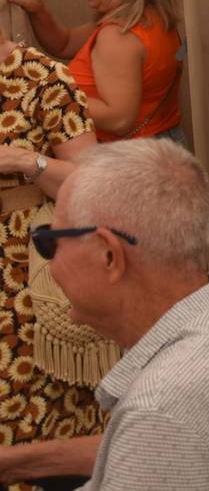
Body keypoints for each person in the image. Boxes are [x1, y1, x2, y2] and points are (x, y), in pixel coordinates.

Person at [0, 140, 209, 490]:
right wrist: (15, 463)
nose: (49, 264)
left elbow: (158, 430)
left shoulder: (161, 408)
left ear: (109, 256)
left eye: (50, 242)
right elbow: (143, 448)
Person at [0, 26, 101, 470]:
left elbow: (92, 185)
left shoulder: (43, 78)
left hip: (21, 276)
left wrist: (27, 161)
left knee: (29, 414)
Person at [10, 0, 184, 143]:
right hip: (163, 143)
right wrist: (38, 11)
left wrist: (43, 94)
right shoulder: (153, 17)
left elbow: (119, 120)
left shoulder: (118, 36)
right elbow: (64, 44)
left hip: (130, 158)